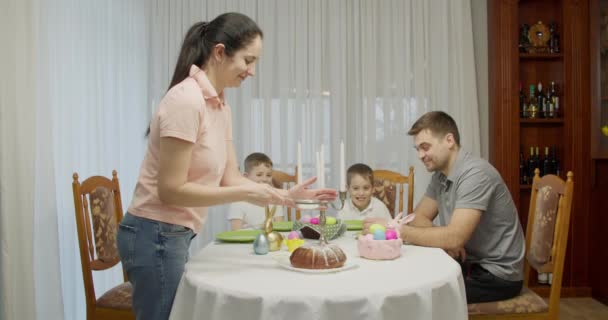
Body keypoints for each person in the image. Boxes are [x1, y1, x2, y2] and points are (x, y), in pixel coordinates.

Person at [116, 13, 337, 320]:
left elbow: (230, 177)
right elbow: (170, 191)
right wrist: (242, 194)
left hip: (172, 234)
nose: (252, 71)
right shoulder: (186, 101)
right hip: (153, 233)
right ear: (220, 52)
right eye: (248, 60)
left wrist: (283, 197)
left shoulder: (219, 105)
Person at [364, 111, 525, 304]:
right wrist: (447, 242)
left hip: (497, 275)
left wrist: (396, 229)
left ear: (449, 140)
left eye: (425, 147)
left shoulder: (476, 174)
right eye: (417, 149)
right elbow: (420, 217)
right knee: (403, 276)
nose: (420, 155)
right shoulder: (440, 176)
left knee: (414, 293)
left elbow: (455, 237)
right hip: (470, 263)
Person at [228, 152, 285, 230]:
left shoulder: (275, 200)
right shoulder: (238, 201)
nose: (265, 179)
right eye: (259, 175)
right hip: (246, 241)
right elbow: (235, 231)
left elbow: (280, 228)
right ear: (246, 177)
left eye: (268, 175)